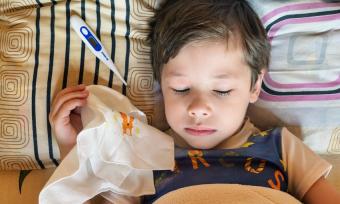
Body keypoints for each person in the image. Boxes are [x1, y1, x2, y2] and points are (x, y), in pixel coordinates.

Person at [49, 0, 340, 203]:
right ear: (161, 86)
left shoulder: (280, 145)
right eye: (181, 88)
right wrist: (72, 147)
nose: (198, 107)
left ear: (254, 86)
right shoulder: (141, 155)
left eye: (223, 90)